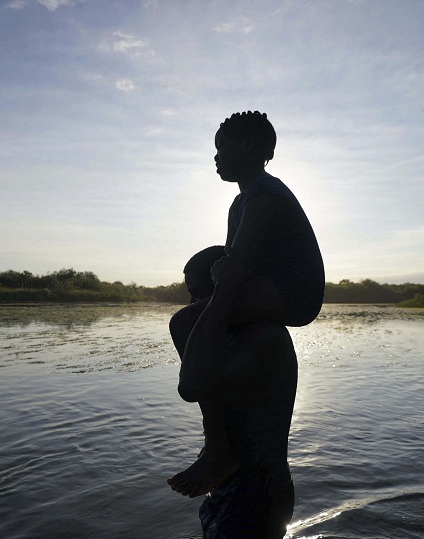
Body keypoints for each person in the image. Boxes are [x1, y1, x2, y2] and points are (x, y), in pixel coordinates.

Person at [167, 111, 325, 538]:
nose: (216, 158)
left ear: (251, 148)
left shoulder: (264, 195)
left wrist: (211, 304)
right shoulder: (245, 198)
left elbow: (233, 268)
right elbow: (231, 265)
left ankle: (217, 449)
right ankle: (216, 448)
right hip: (270, 291)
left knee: (184, 324)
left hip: (289, 293)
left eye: (222, 148)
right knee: (191, 322)